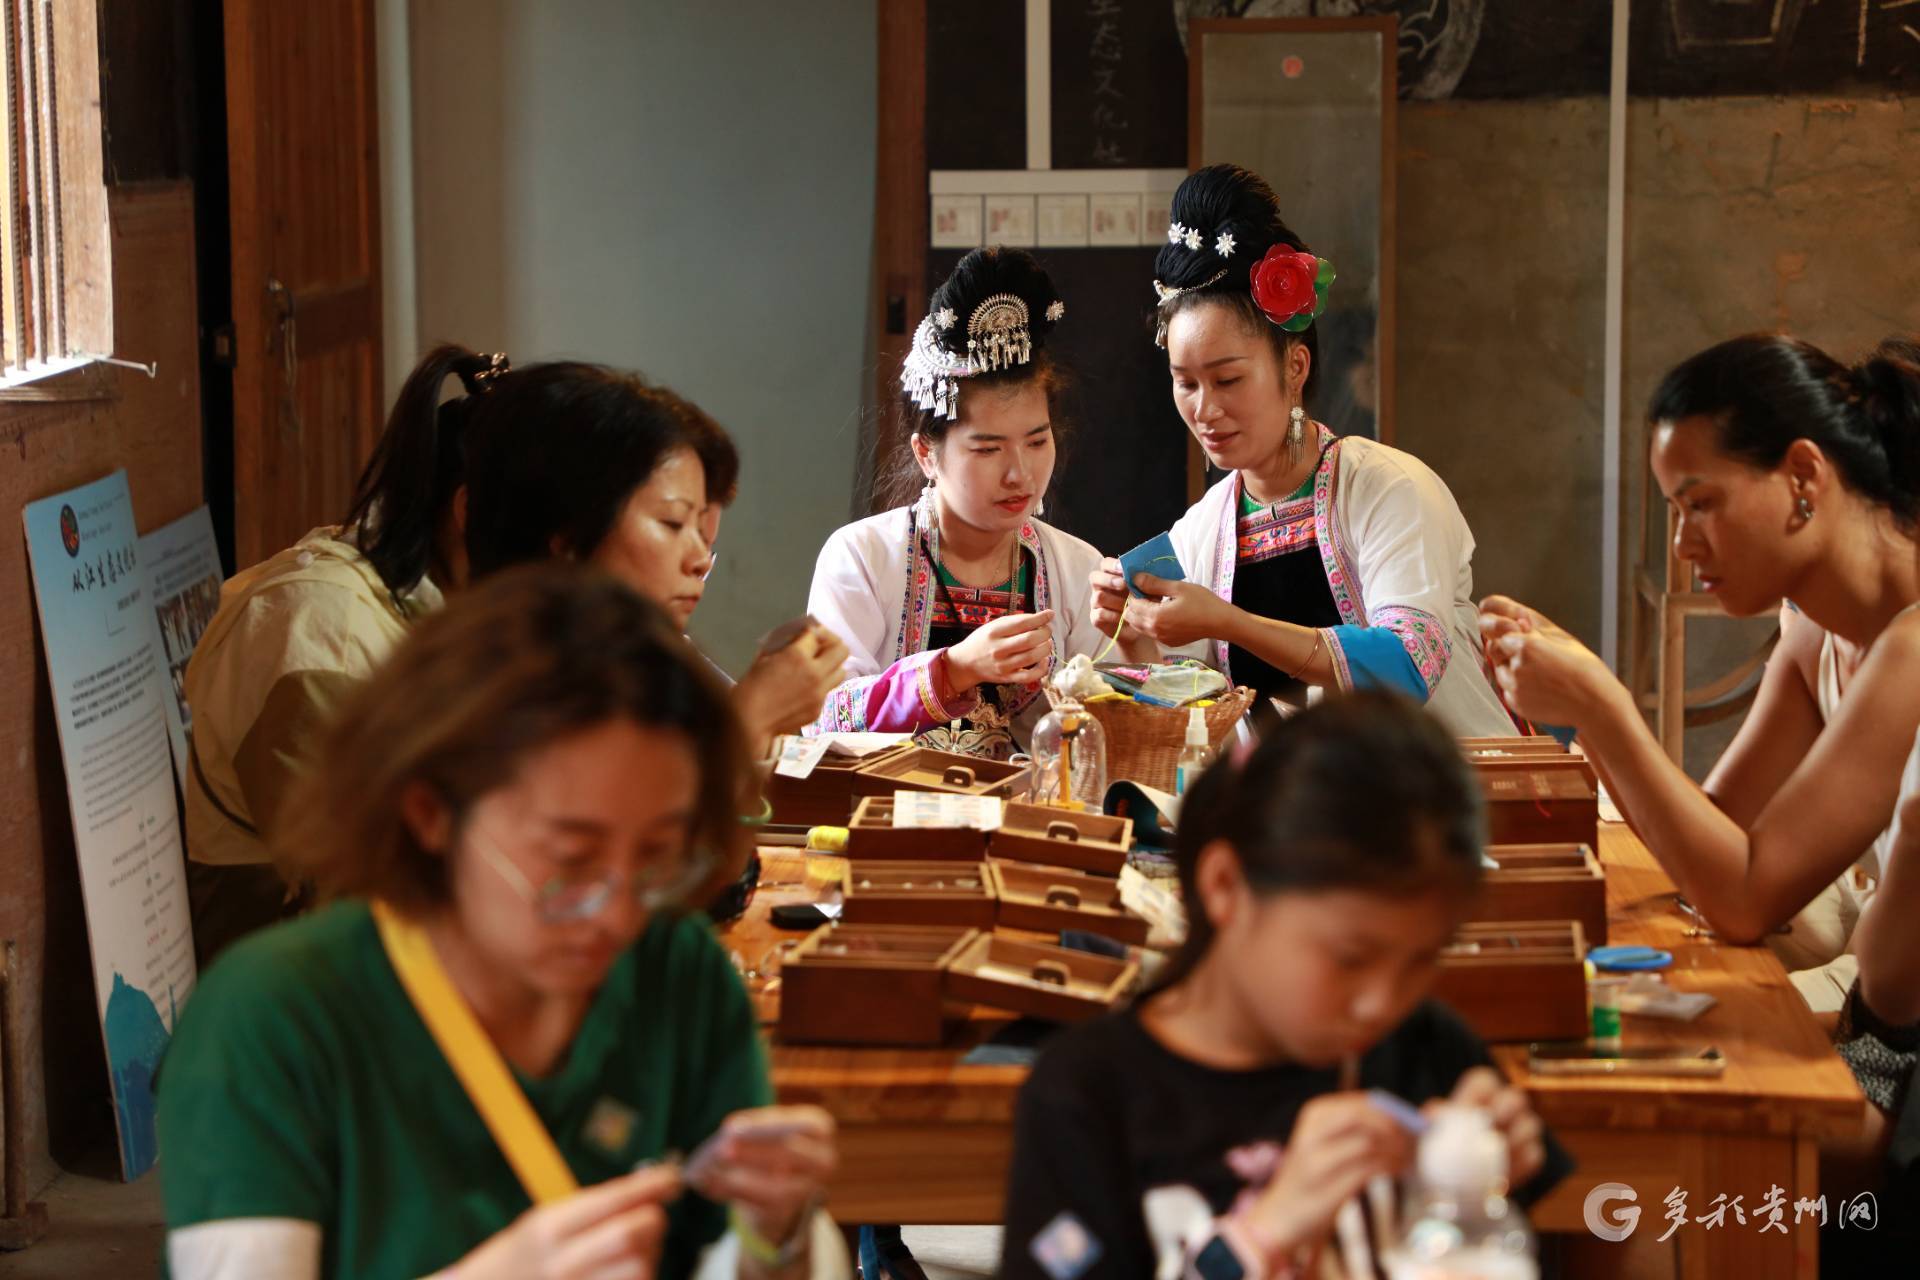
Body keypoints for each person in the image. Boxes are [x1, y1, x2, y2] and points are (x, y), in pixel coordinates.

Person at [158, 566, 845, 1280]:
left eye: (657, 857)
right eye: (572, 862)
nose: (617, 914)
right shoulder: (273, 1017)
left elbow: (739, 1256)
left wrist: (777, 1237)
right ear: (431, 814)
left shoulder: (678, 974)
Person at [184, 346, 843, 963]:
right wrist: (739, 732)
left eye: (702, 532)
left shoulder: (541, 639)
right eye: (671, 524)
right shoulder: (327, 635)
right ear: (539, 528)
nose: (699, 561)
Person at [997, 691, 1568, 1279]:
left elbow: (1584, 1238)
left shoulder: (1426, 1051)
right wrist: (1262, 1233)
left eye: (1421, 960)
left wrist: (1491, 1178)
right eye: (1349, 957)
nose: (1381, 1003)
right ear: (1225, 886)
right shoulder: (1090, 1095)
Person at [1479, 335, 1920, 966]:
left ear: (1804, 475)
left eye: (1702, 504)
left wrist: (1602, 705)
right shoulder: (1814, 635)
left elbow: (1744, 897)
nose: (1683, 544)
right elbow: (1712, 838)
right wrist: (1584, 701)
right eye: (1676, 510)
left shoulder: (1911, 643)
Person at [1086, 165, 1514, 736]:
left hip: (1446, 801)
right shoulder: (1201, 534)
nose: (1204, 409)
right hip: (1303, 813)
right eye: (1185, 383)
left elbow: (1408, 665)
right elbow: (1210, 718)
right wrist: (1140, 637)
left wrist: (1231, 623)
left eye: (1228, 380)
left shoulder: (1388, 490)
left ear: (1294, 366)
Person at [806, 247, 1105, 760]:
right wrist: (955, 670)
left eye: (1037, 442)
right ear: (926, 452)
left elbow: (1105, 737)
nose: (1021, 474)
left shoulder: (1078, 569)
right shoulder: (862, 556)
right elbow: (823, 714)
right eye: (988, 449)